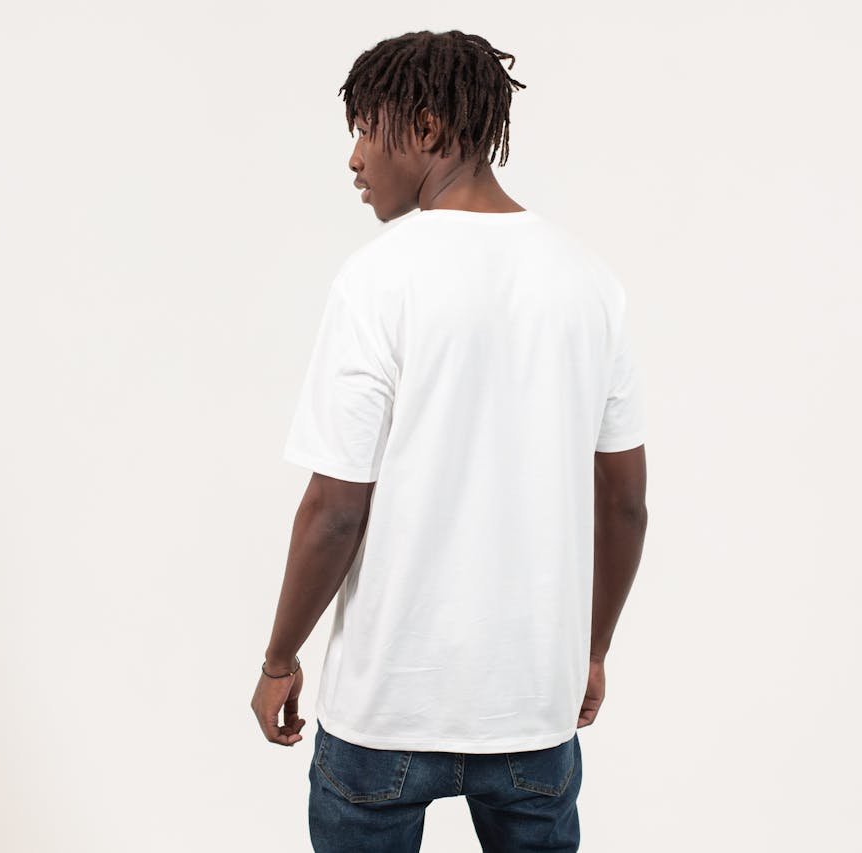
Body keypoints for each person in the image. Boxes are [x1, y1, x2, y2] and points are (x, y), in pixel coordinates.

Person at [251, 29, 649, 852]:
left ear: (427, 129)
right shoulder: (590, 285)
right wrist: (592, 648)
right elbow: (627, 502)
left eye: (368, 129)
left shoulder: (377, 280)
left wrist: (279, 658)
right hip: (533, 708)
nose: (356, 159)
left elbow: (332, 511)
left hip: (386, 709)